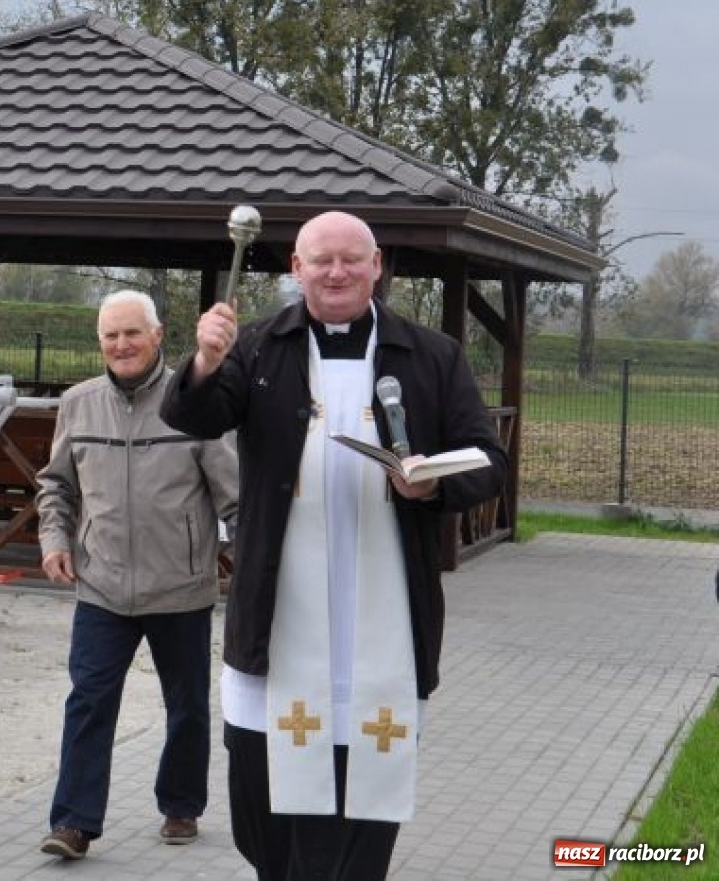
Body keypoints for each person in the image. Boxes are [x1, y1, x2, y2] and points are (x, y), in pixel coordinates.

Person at [160, 210, 507, 880]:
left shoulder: (433, 355)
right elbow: (194, 417)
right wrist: (204, 361)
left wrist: (429, 485)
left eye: (353, 259)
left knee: (361, 827)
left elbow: (488, 462)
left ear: (377, 267)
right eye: (322, 260)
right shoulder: (258, 347)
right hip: (277, 623)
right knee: (263, 819)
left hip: (383, 629)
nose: (338, 271)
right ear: (298, 269)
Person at [36, 289, 240, 861]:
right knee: (89, 701)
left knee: (187, 704)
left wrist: (251, 562)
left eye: (132, 333)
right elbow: (56, 485)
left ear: (157, 335)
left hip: (180, 585)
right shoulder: (78, 403)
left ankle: (180, 804)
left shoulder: (193, 402)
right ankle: (74, 822)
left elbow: (234, 494)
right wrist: (55, 540)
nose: (121, 345)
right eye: (110, 335)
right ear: (99, 341)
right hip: (101, 583)